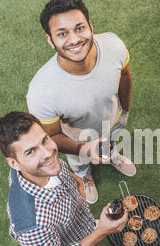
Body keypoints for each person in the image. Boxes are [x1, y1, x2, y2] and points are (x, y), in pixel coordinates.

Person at [0, 111, 128, 246]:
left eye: (44, 140)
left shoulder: (37, 166)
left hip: (73, 220)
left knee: (80, 225)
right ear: (14, 163)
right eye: (31, 152)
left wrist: (78, 180)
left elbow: (58, 167)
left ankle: (87, 228)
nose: (48, 153)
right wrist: (101, 231)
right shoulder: (31, 226)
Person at [26, 0, 136, 205]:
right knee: (80, 163)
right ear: (50, 40)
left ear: (91, 26)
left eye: (79, 28)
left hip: (114, 121)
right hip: (77, 141)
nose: (75, 39)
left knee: (110, 144)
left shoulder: (113, 45)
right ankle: (85, 174)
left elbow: (125, 76)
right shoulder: (41, 91)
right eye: (62, 33)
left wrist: (126, 110)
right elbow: (50, 136)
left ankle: (111, 155)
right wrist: (83, 149)